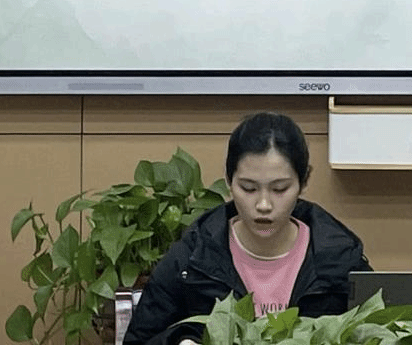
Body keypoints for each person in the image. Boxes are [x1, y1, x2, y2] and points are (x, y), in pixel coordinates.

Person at [122, 112, 372, 345]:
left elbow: (381, 333)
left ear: (303, 183)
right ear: (229, 181)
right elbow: (140, 339)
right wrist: (181, 340)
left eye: (280, 189)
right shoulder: (192, 259)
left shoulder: (339, 260)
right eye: (248, 188)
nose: (263, 205)